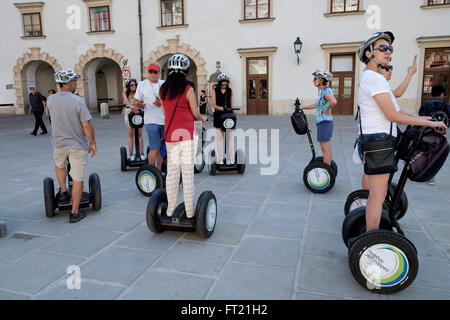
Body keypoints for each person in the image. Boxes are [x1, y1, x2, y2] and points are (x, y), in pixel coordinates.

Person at [355, 31, 447, 232]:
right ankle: (371, 239)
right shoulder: (374, 78)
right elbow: (393, 115)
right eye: (382, 48)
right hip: (378, 141)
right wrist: (429, 125)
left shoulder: (373, 78)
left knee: (378, 194)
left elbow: (395, 108)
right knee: (377, 197)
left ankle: (372, 235)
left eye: (390, 49)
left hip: (381, 140)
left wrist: (424, 119)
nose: (388, 52)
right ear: (369, 53)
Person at [46, 69, 97, 223]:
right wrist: (92, 143)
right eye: (74, 81)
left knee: (60, 165)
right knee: (77, 178)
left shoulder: (50, 100)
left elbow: (51, 119)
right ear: (69, 83)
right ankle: (74, 212)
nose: (75, 83)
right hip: (77, 145)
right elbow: (86, 125)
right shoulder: (78, 101)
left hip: (58, 143)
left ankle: (63, 191)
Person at [160, 54, 206, 218]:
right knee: (187, 175)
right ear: (185, 70)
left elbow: (165, 112)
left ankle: (170, 209)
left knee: (172, 174)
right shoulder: (188, 89)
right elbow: (195, 113)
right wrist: (202, 117)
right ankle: (190, 211)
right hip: (186, 136)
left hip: (170, 136)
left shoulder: (163, 89)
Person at [300, 69, 337, 166]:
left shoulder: (325, 92)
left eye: (315, 79)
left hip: (324, 122)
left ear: (321, 80)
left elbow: (334, 101)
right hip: (323, 123)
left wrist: (327, 110)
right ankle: (327, 169)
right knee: (326, 148)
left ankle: (326, 170)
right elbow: (316, 105)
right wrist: (303, 107)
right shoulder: (323, 91)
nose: (313, 81)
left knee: (325, 148)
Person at [134, 62, 165, 170]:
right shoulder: (142, 84)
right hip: (151, 121)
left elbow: (169, 101)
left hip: (164, 121)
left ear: (159, 72)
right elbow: (136, 101)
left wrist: (161, 103)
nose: (153, 74)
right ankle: (151, 170)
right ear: (148, 72)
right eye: (150, 71)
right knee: (154, 147)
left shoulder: (164, 84)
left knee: (161, 148)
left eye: (155, 72)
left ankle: (159, 170)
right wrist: (140, 105)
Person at [418, 84, 450, 186]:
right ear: (441, 94)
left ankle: (421, 172)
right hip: (440, 135)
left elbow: (420, 118)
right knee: (436, 156)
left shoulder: (425, 105)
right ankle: (431, 178)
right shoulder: (446, 106)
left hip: (427, 133)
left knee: (425, 153)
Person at [212, 73, 234, 164]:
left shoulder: (230, 90)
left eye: (226, 84)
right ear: (219, 83)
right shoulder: (215, 90)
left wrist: (232, 112)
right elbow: (213, 103)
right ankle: (221, 158)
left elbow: (231, 102)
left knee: (229, 137)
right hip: (218, 115)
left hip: (228, 115)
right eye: (222, 84)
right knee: (220, 137)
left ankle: (230, 158)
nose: (224, 86)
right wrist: (218, 107)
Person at [123, 78, 145, 161]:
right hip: (129, 113)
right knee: (130, 134)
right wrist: (131, 106)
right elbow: (126, 101)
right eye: (132, 85)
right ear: (129, 86)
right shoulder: (125, 93)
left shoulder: (139, 92)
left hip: (138, 113)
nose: (134, 86)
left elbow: (142, 101)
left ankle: (141, 153)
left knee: (139, 134)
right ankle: (131, 154)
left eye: (135, 84)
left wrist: (142, 104)